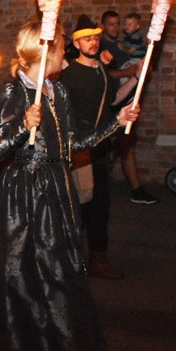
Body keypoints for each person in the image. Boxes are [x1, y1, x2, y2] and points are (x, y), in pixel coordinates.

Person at [0, 19, 140, 351]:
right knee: (26, 276)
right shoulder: (13, 91)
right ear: (43, 53)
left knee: (63, 272)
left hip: (58, 188)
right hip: (25, 193)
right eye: (61, 47)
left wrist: (117, 123)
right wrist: (20, 127)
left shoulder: (57, 89)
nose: (66, 53)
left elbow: (75, 140)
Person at [60, 14, 125, 279]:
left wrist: (136, 79)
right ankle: (71, 258)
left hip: (99, 146)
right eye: (88, 38)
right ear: (77, 43)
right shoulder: (68, 75)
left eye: (96, 37)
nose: (94, 42)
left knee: (101, 204)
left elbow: (112, 100)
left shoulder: (101, 69)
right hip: (78, 148)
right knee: (78, 205)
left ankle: (98, 257)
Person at [99, 11, 159, 205]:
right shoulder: (100, 47)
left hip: (124, 98)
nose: (115, 28)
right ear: (103, 25)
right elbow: (104, 77)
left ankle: (136, 189)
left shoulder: (125, 42)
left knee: (127, 143)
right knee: (103, 149)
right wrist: (129, 72)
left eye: (117, 23)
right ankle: (99, 192)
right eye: (110, 24)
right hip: (106, 104)